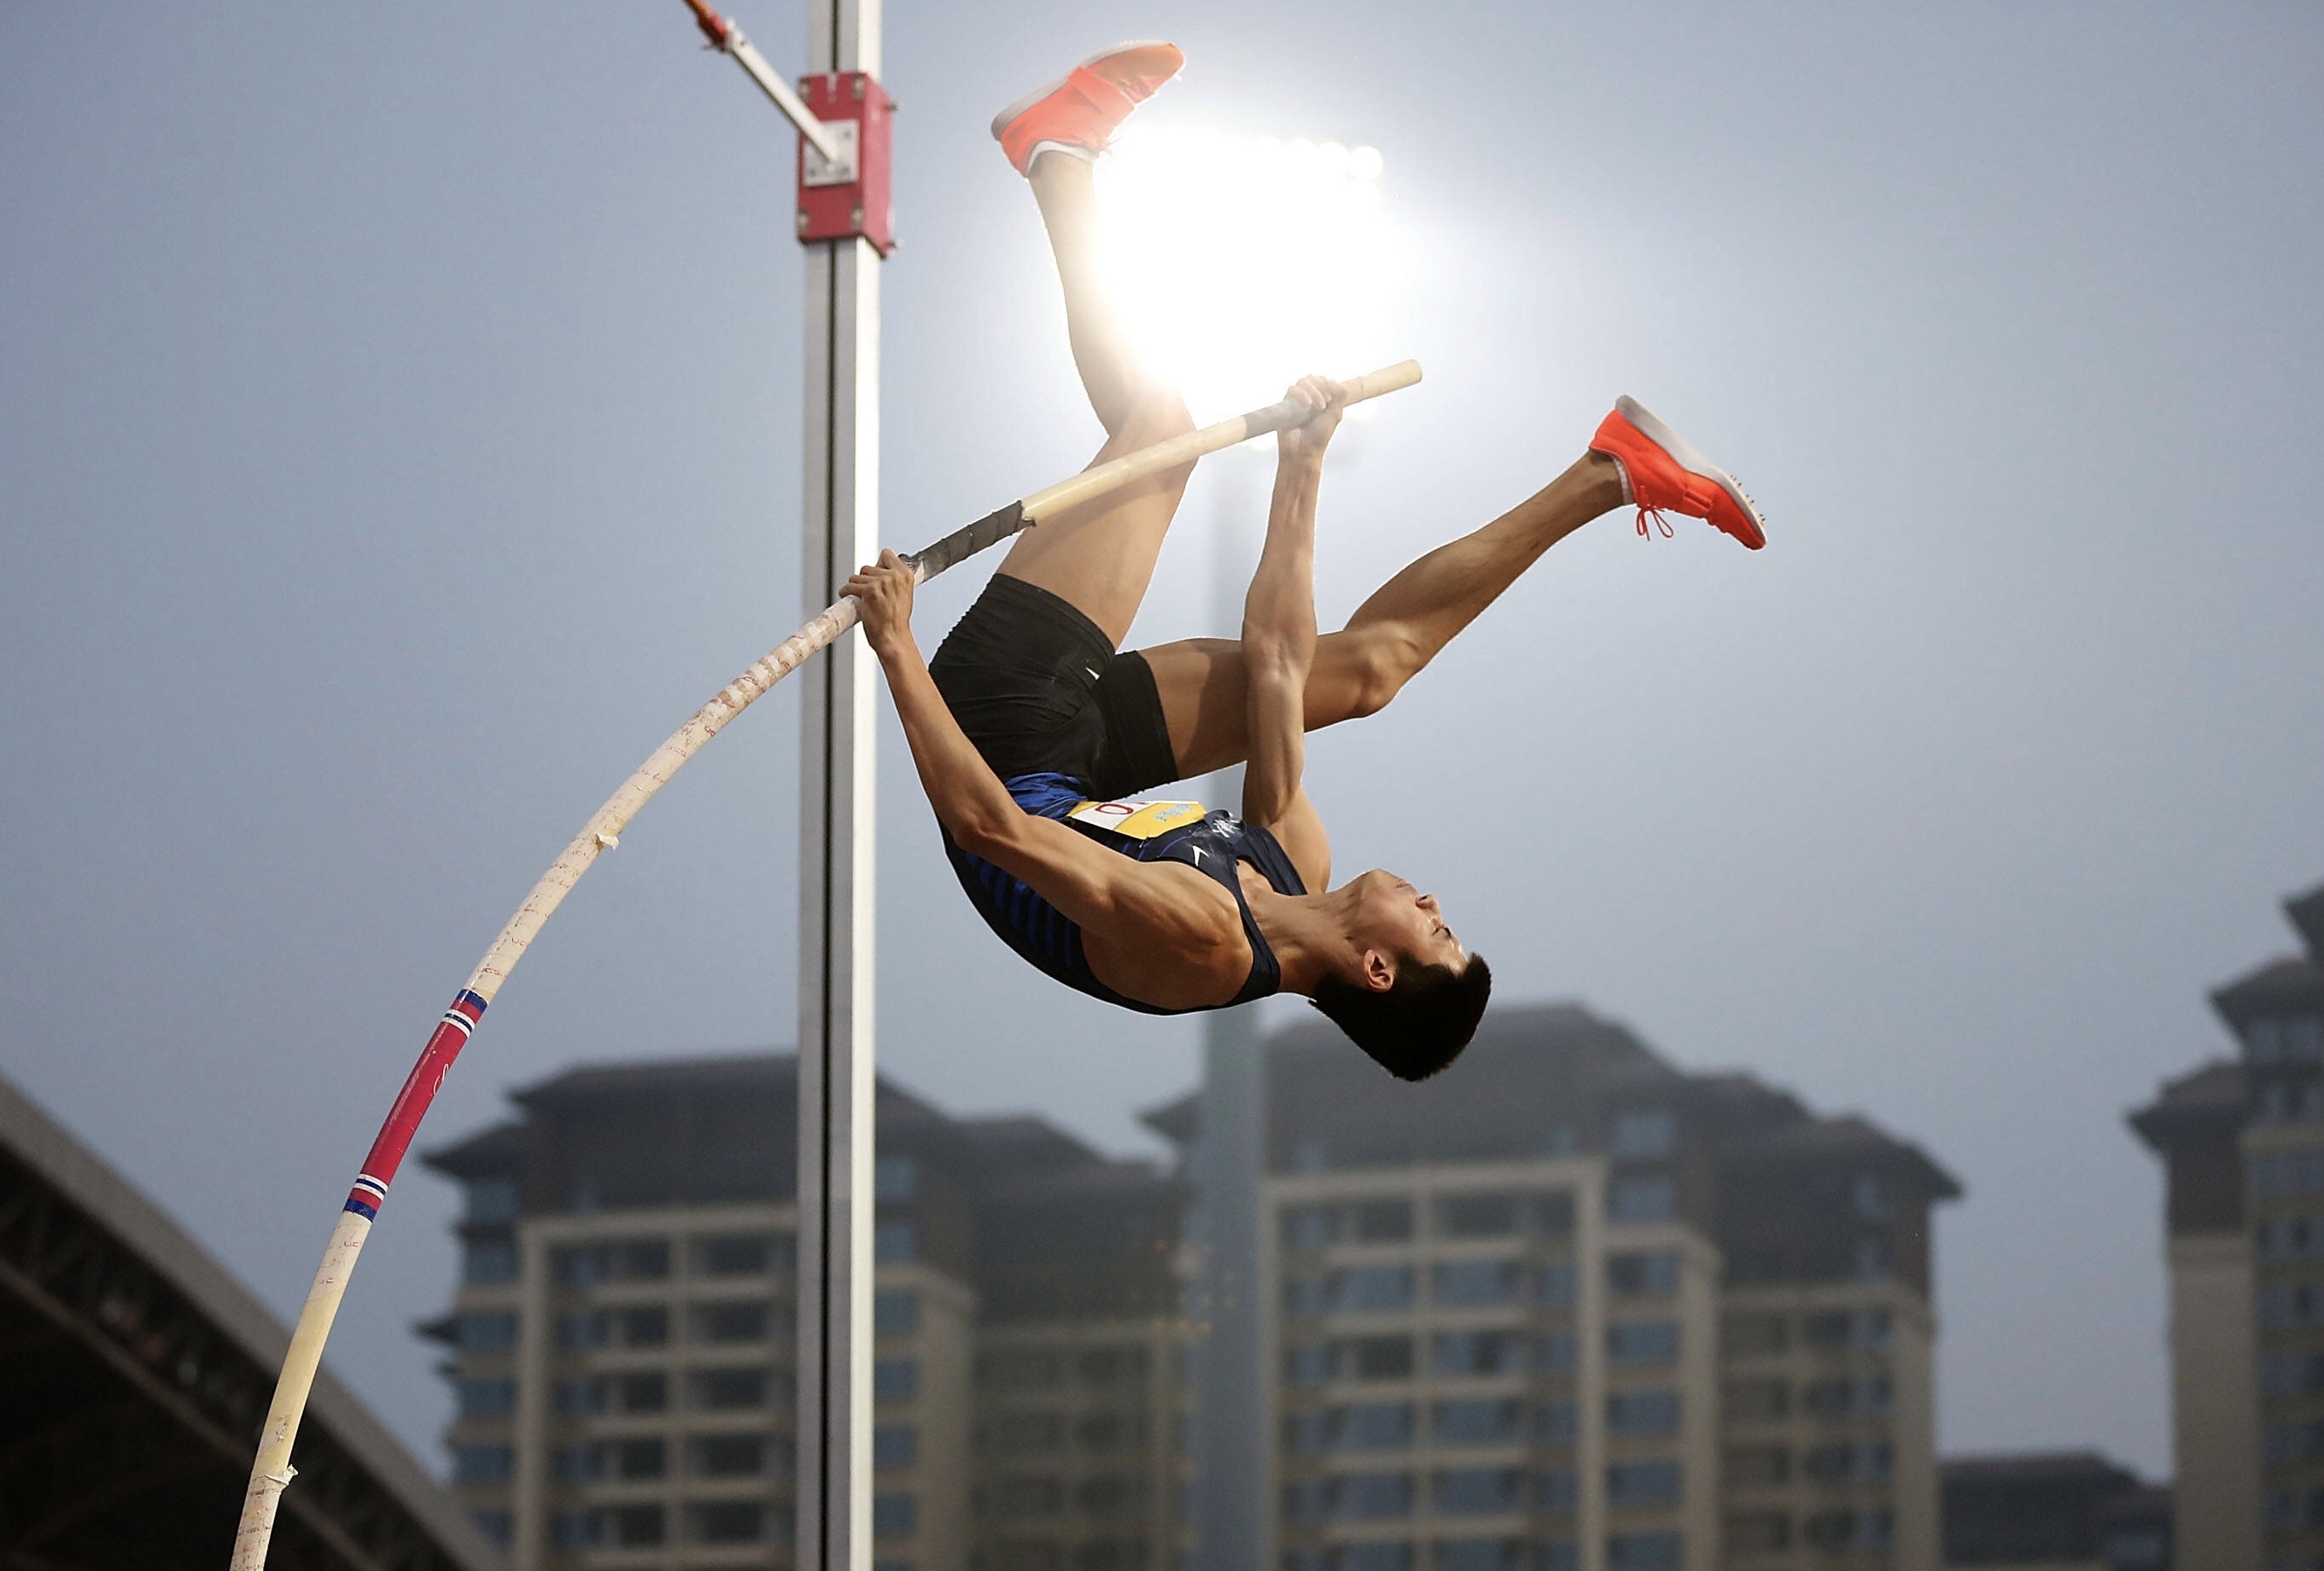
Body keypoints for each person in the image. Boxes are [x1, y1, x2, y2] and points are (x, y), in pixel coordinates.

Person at [842, 43, 1766, 1083]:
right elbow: (1277, 657)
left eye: (1437, 933)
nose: (1431, 903)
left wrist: (897, 647)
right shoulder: (1294, 863)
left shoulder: (1201, 937)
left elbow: (988, 827)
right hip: (1090, 759)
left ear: (1375, 969)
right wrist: (1301, 463)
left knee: (1156, 423)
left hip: (993, 732)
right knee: (1363, 674)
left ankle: (1056, 155)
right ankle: (1608, 473)